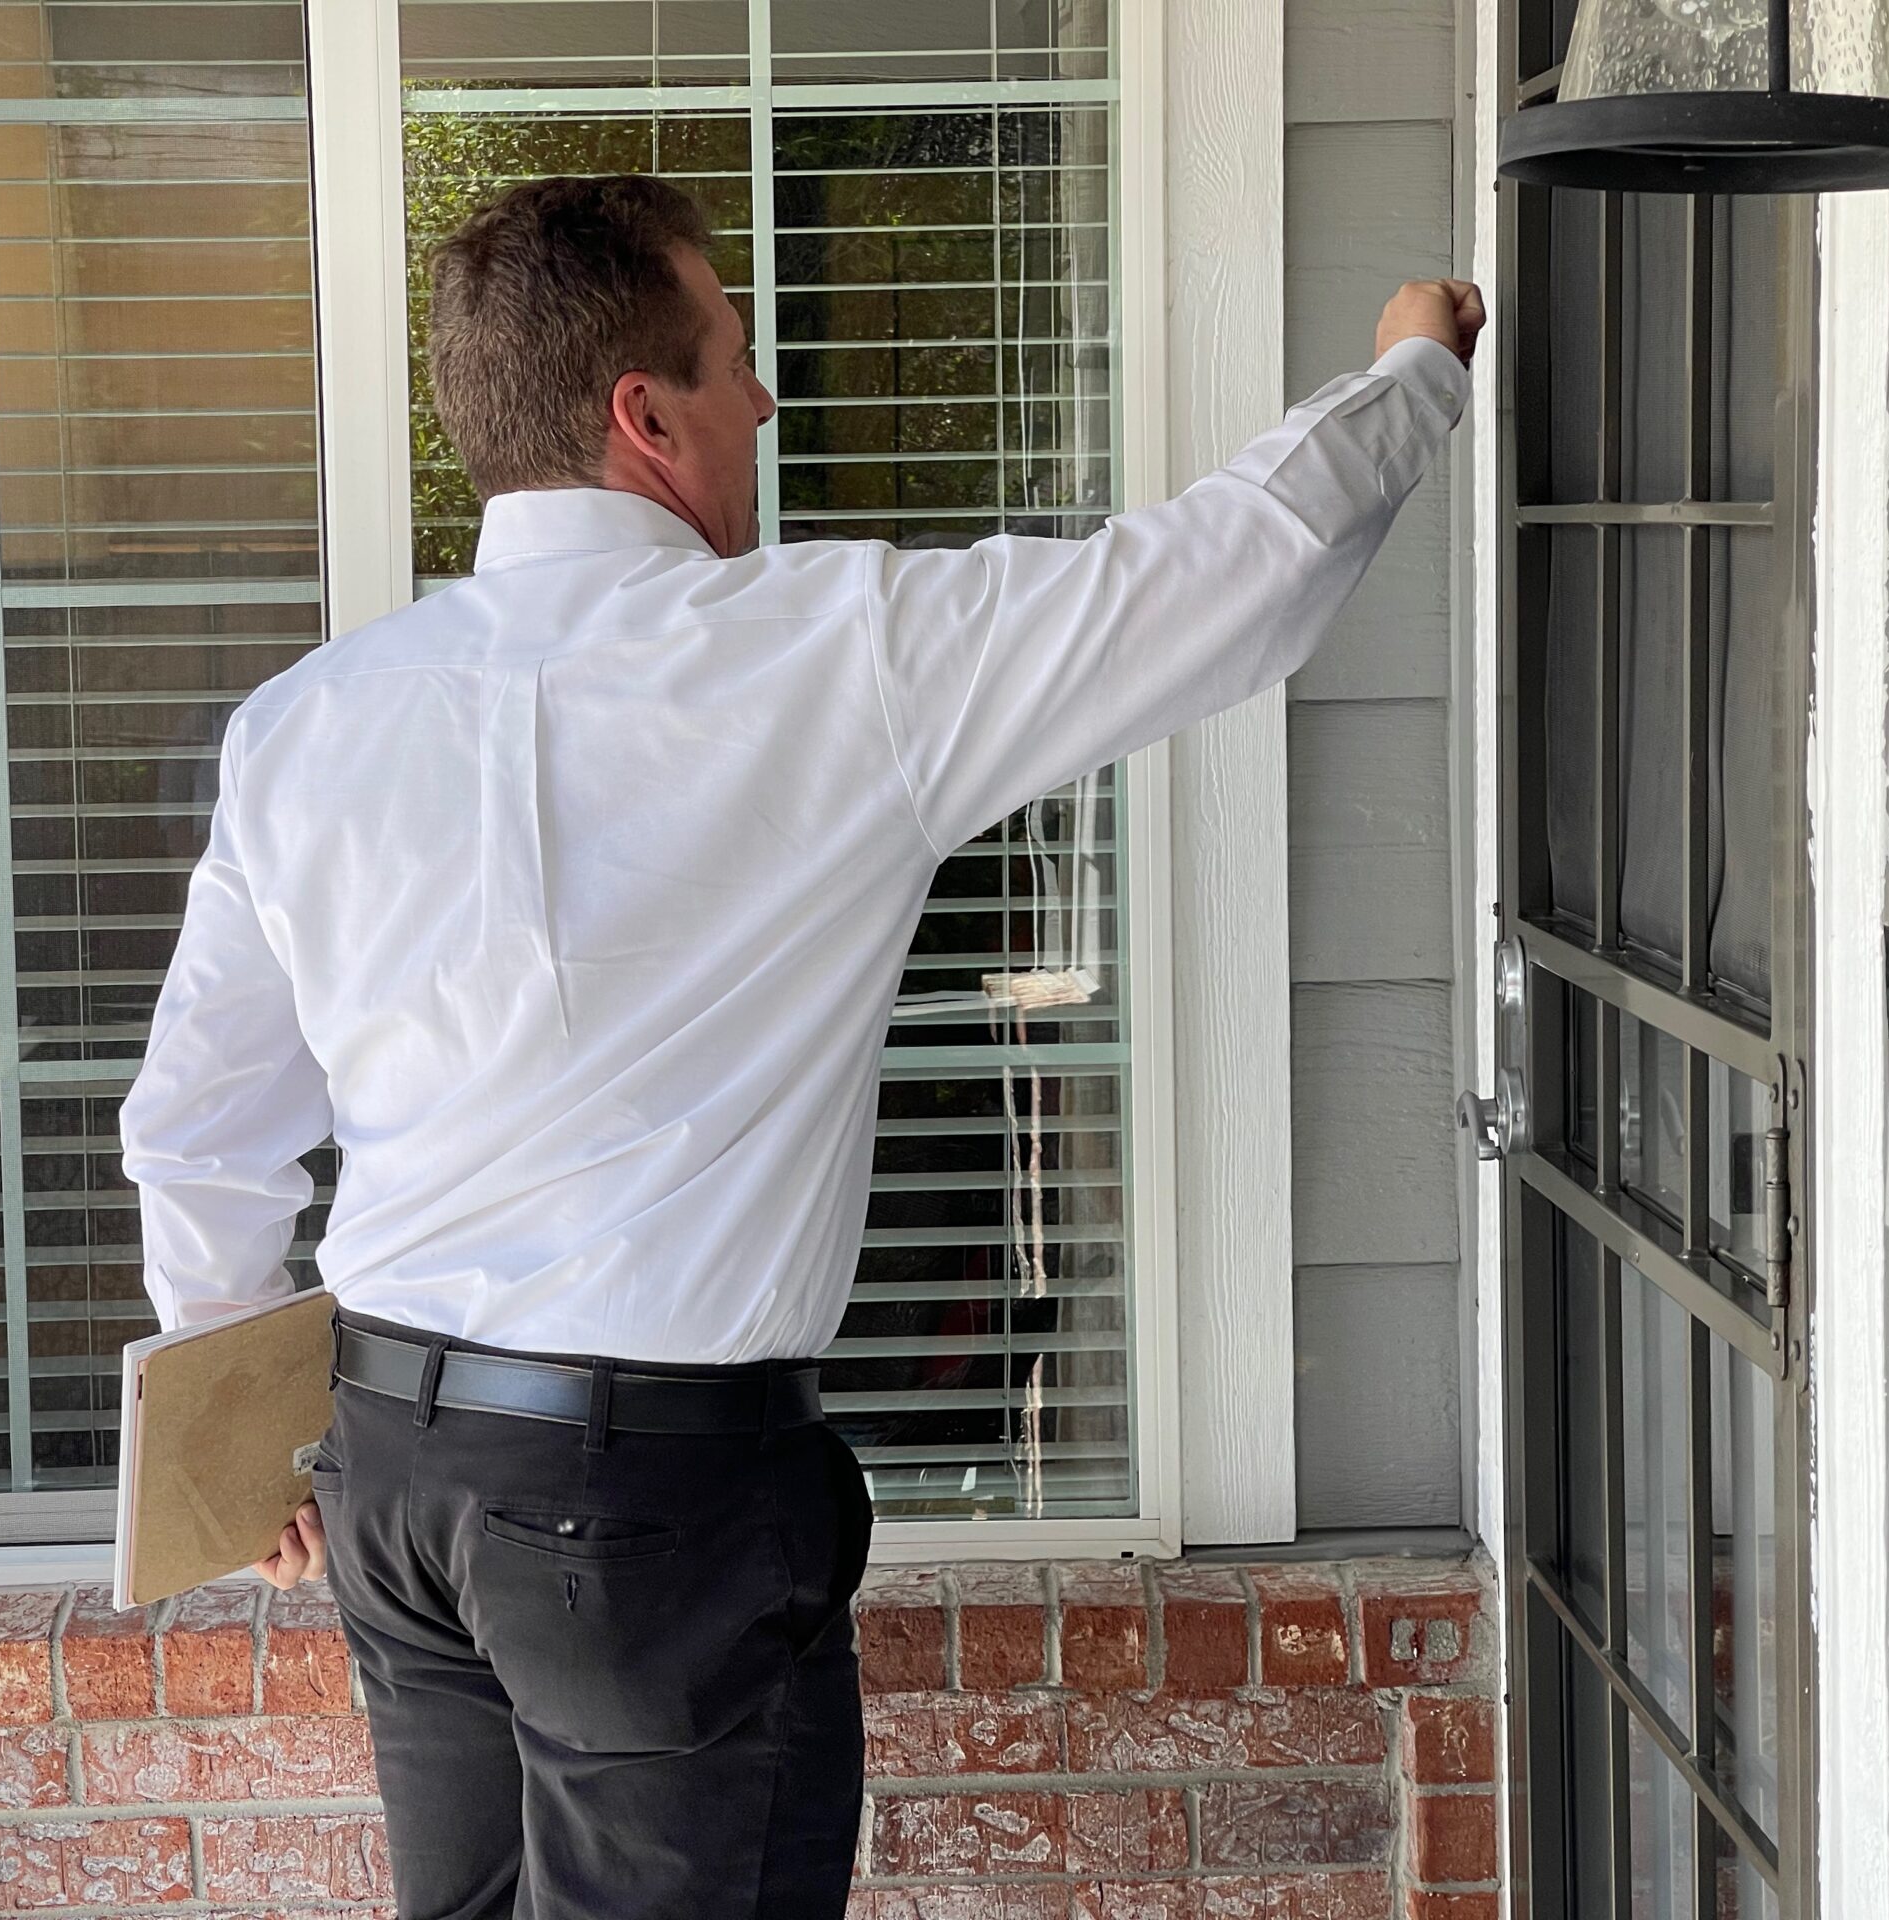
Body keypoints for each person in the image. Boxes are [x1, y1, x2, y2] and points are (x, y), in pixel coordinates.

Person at [119, 172, 1483, 1920]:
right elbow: (1223, 576)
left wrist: (228, 1413)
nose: (764, 401)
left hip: (396, 1477)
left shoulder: (304, 727)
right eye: (738, 359)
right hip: (643, 1508)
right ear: (646, 414)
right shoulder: (839, 658)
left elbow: (199, 1129)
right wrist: (1408, 373)